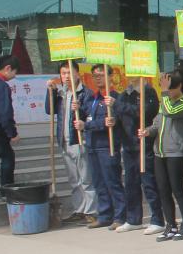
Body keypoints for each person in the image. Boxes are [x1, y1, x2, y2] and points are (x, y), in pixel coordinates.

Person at [139, 71, 183, 240]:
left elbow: (170, 111)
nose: (167, 91)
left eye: (170, 88)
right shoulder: (164, 101)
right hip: (160, 152)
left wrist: (164, 93)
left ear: (179, 86)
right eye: (165, 88)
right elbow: (157, 124)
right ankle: (170, 224)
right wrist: (147, 131)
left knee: (177, 189)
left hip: (176, 153)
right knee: (163, 190)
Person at [74, 65, 127, 230]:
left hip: (107, 145)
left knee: (113, 182)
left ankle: (120, 216)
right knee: (99, 183)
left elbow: (109, 122)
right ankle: (104, 215)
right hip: (92, 145)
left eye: (101, 75)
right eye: (95, 75)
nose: (98, 78)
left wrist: (87, 125)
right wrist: (76, 109)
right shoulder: (91, 98)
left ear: (110, 77)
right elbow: (83, 117)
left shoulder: (115, 98)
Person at [45, 62, 96, 223]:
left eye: (69, 72)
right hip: (64, 141)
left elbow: (91, 114)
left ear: (77, 74)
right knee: (74, 180)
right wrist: (50, 92)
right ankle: (79, 209)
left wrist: (80, 108)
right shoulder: (61, 92)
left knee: (86, 178)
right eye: (63, 73)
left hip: (79, 140)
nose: (66, 76)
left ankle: (91, 211)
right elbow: (49, 110)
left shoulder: (85, 93)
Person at [113, 74, 162, 233]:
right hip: (128, 145)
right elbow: (120, 115)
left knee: (149, 183)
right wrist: (113, 120)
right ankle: (133, 219)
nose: (129, 74)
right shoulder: (124, 94)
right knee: (131, 183)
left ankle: (158, 219)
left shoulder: (149, 92)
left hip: (144, 144)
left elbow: (144, 112)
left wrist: (118, 105)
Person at [0, 55, 19, 193]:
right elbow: (4, 114)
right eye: (15, 72)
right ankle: (7, 191)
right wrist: (12, 133)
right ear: (8, 68)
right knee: (8, 158)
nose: (14, 76)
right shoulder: (1, 86)